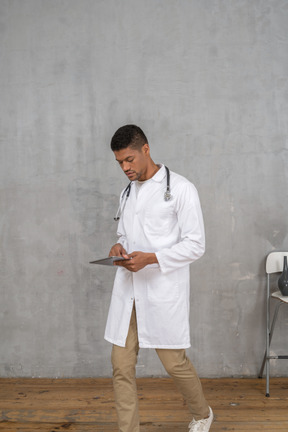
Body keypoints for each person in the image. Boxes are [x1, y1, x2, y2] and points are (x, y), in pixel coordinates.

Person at [104, 124, 213, 432]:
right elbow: (125, 231)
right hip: (129, 292)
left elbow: (196, 244)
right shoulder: (127, 192)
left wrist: (152, 259)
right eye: (119, 163)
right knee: (121, 367)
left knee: (174, 363)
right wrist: (118, 245)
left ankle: (203, 413)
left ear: (146, 150)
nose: (125, 168)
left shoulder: (180, 189)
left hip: (162, 290)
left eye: (129, 160)